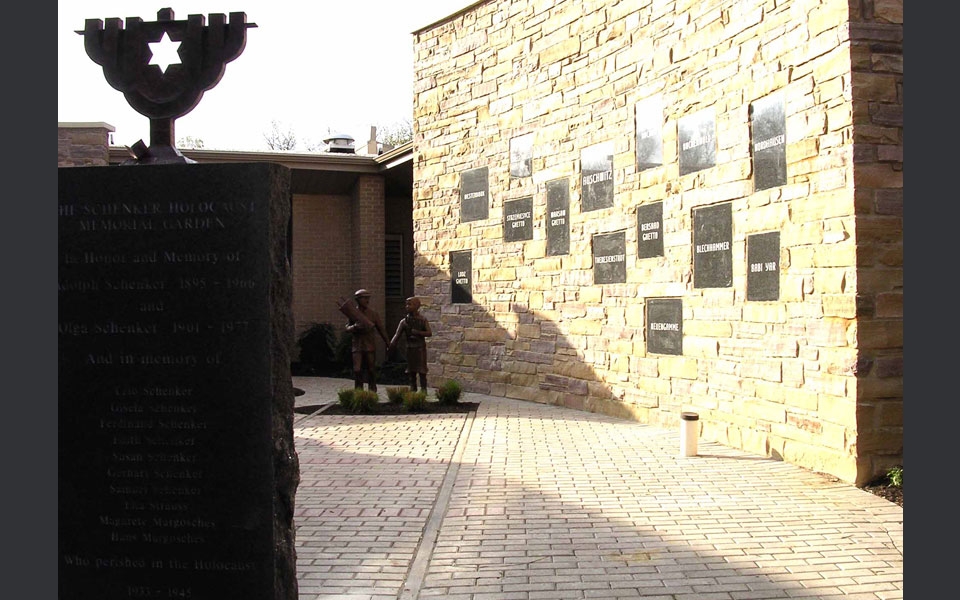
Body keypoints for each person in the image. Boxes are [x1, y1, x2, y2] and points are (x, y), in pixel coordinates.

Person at [345, 289, 390, 392]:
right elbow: (347, 328)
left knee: (371, 369)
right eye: (365, 298)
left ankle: (372, 388)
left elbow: (381, 329)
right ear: (358, 299)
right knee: (357, 369)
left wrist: (388, 343)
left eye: (368, 298)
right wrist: (355, 327)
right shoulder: (353, 313)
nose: (367, 301)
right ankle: (358, 391)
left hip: (369, 345)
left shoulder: (373, 314)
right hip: (357, 345)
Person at [388, 296, 433, 392]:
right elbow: (397, 335)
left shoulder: (422, 320)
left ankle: (424, 391)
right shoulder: (404, 322)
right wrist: (391, 345)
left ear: (417, 306)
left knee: (422, 371)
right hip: (410, 349)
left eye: (410, 304)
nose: (407, 306)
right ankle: (413, 390)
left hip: (420, 349)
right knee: (411, 371)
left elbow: (429, 333)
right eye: (406, 304)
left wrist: (418, 332)